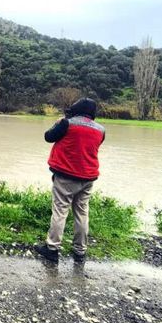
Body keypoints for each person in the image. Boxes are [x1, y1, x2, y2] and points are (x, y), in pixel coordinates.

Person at [35, 98, 105, 264]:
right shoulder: (101, 130)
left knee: (60, 210)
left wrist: (57, 123)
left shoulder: (67, 124)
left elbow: (48, 137)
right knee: (82, 212)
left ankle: (52, 249)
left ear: (75, 109)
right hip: (88, 177)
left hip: (66, 176)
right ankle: (80, 251)